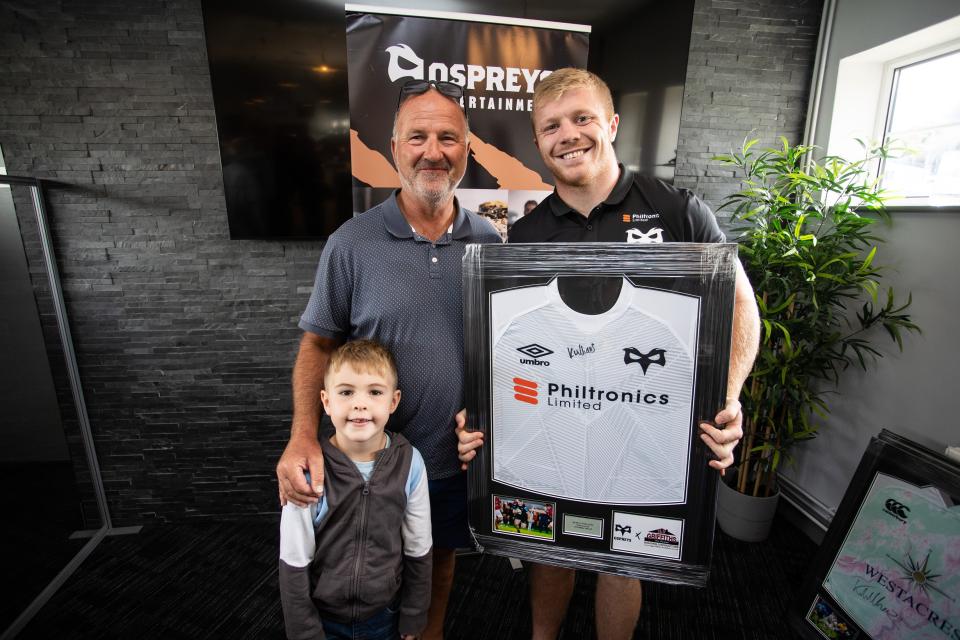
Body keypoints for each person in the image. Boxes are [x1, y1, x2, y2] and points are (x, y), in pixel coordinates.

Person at [456, 68, 761, 640]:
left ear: (612, 124)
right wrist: (482, 415)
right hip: (557, 420)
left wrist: (726, 400)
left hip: (646, 428)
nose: (568, 135)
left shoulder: (678, 212)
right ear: (538, 140)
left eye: (582, 119)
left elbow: (741, 305)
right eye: (551, 127)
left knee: (624, 557)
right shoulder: (524, 237)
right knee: (549, 549)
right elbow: (508, 345)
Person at [276, 79, 502, 640]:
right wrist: (303, 435)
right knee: (355, 564)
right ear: (394, 147)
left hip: (451, 460)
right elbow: (317, 346)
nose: (433, 151)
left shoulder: (492, 246)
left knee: (436, 561)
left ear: (467, 149)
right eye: (417, 136)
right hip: (363, 460)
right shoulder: (351, 244)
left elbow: (508, 351)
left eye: (448, 137)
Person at [279, 340, 431, 640]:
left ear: (393, 401)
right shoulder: (309, 471)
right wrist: (305, 633)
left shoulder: (410, 463)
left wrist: (414, 615)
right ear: (326, 401)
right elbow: (293, 560)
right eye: (346, 392)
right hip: (323, 619)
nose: (360, 404)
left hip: (383, 615)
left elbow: (419, 547)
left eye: (374, 392)